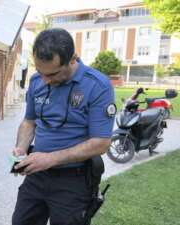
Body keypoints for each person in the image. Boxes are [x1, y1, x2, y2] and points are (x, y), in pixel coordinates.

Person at [11, 28, 115, 225]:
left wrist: (50, 159)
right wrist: (22, 147)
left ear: (73, 59)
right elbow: (29, 121)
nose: (45, 80)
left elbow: (101, 143)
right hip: (36, 176)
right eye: (40, 72)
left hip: (73, 181)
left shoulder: (97, 85)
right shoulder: (36, 81)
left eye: (52, 74)